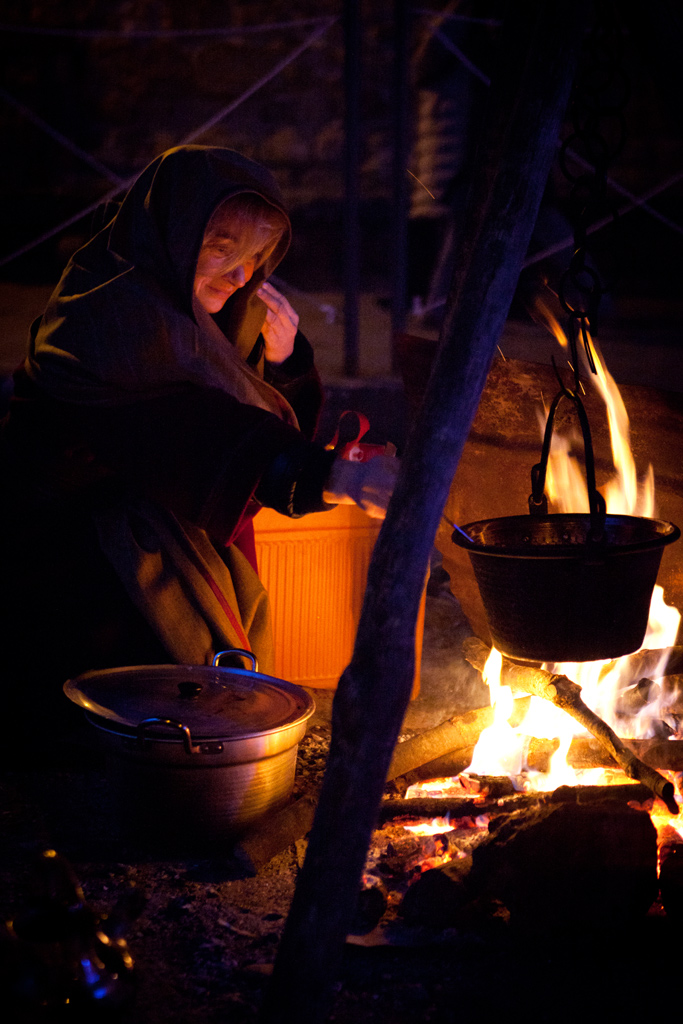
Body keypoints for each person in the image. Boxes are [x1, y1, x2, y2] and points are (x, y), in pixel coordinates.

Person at [0, 145, 397, 741]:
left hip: (162, 515)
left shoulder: (208, 315)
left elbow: (241, 417)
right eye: (220, 252)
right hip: (79, 558)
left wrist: (285, 364)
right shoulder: (110, 318)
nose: (242, 276)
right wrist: (329, 477)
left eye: (257, 257)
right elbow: (182, 429)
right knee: (115, 709)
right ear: (172, 236)